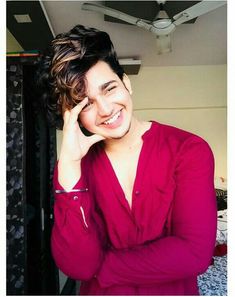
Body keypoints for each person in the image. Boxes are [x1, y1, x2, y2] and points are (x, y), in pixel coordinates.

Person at [37, 24, 217, 295]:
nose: (105, 109)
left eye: (109, 89)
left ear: (126, 83)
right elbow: (77, 267)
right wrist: (71, 166)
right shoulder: (73, 169)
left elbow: (194, 253)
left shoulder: (188, 150)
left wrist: (103, 268)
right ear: (72, 116)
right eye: (85, 104)